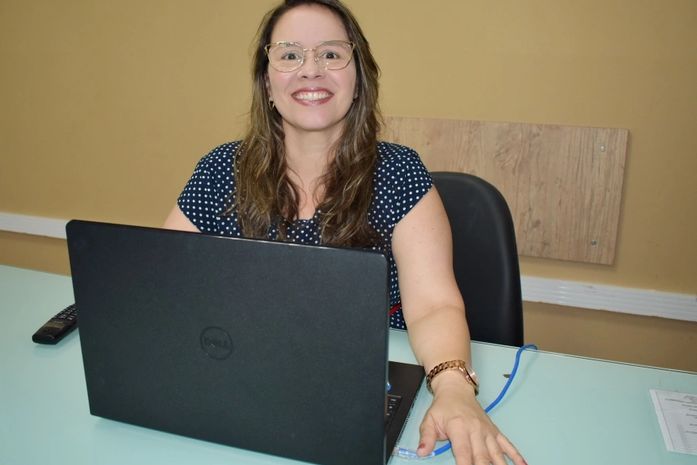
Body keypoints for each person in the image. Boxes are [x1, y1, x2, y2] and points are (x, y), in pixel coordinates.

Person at [164, 1, 527, 464]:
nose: (310, 69)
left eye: (331, 54)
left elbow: (433, 306)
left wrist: (454, 389)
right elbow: (167, 286)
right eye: (289, 54)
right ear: (267, 83)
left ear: (359, 80)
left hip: (362, 390)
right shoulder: (221, 171)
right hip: (247, 383)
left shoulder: (398, 173)